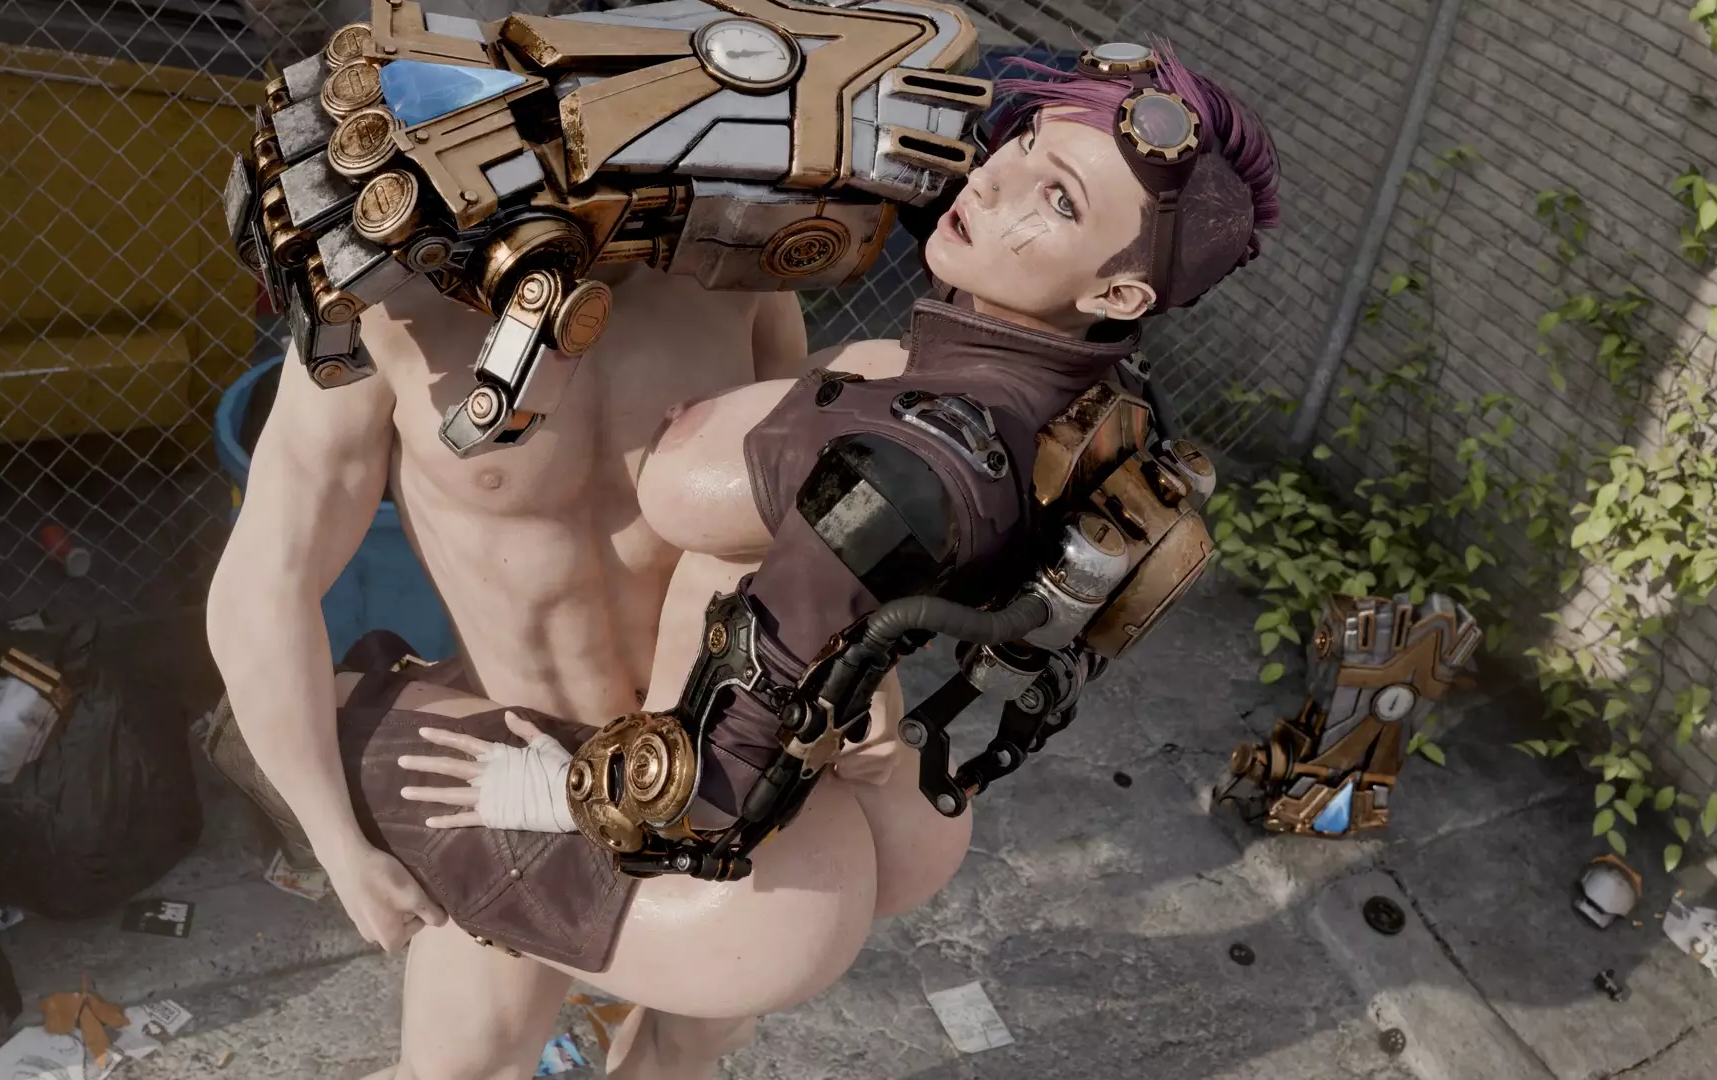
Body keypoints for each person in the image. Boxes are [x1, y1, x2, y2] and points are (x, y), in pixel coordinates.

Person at [211, 38, 1279, 1080]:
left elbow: (816, 533)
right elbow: (265, 582)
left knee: (687, 1045)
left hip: (742, 796)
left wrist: (871, 682)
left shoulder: (737, 273)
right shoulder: (387, 310)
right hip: (518, 762)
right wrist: (336, 843)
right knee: (463, 1062)